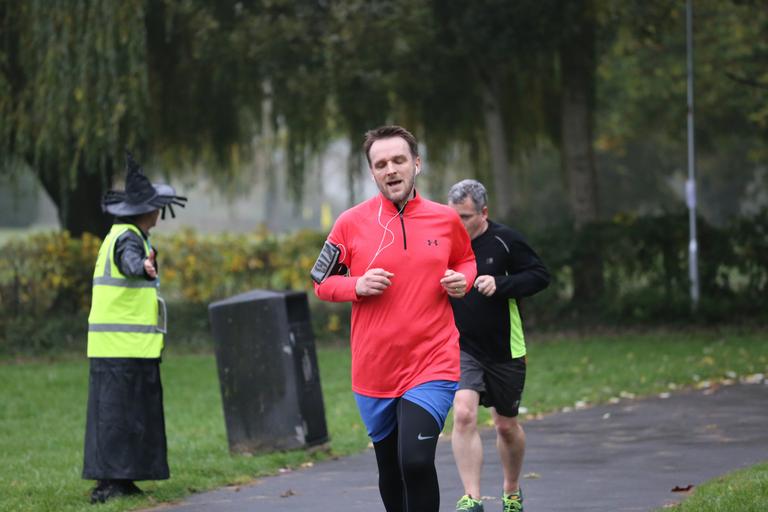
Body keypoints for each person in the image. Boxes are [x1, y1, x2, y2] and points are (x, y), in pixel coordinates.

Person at [312, 125, 477, 512]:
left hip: (432, 361)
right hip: (374, 369)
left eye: (399, 160)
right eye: (381, 164)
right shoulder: (350, 223)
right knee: (390, 468)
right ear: (372, 172)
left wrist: (463, 280)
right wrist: (356, 284)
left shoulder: (445, 220)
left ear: (416, 164)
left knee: (415, 461)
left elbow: (466, 260)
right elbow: (321, 282)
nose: (391, 169)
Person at [83, 151, 187, 504]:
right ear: (145, 211)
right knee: (116, 417)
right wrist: (142, 267)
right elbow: (129, 263)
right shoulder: (127, 239)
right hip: (119, 348)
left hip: (129, 348)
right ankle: (108, 485)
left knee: (128, 416)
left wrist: (145, 264)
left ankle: (124, 480)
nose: (159, 212)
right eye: (156, 207)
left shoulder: (131, 235)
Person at [447, 179, 550, 512]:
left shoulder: (506, 240)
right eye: (453, 216)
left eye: (465, 217)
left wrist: (501, 283)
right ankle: (472, 498)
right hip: (462, 346)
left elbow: (539, 275)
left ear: (484, 213)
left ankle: (511, 490)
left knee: (505, 426)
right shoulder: (444, 241)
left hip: (505, 347)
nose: (457, 224)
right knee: (463, 414)